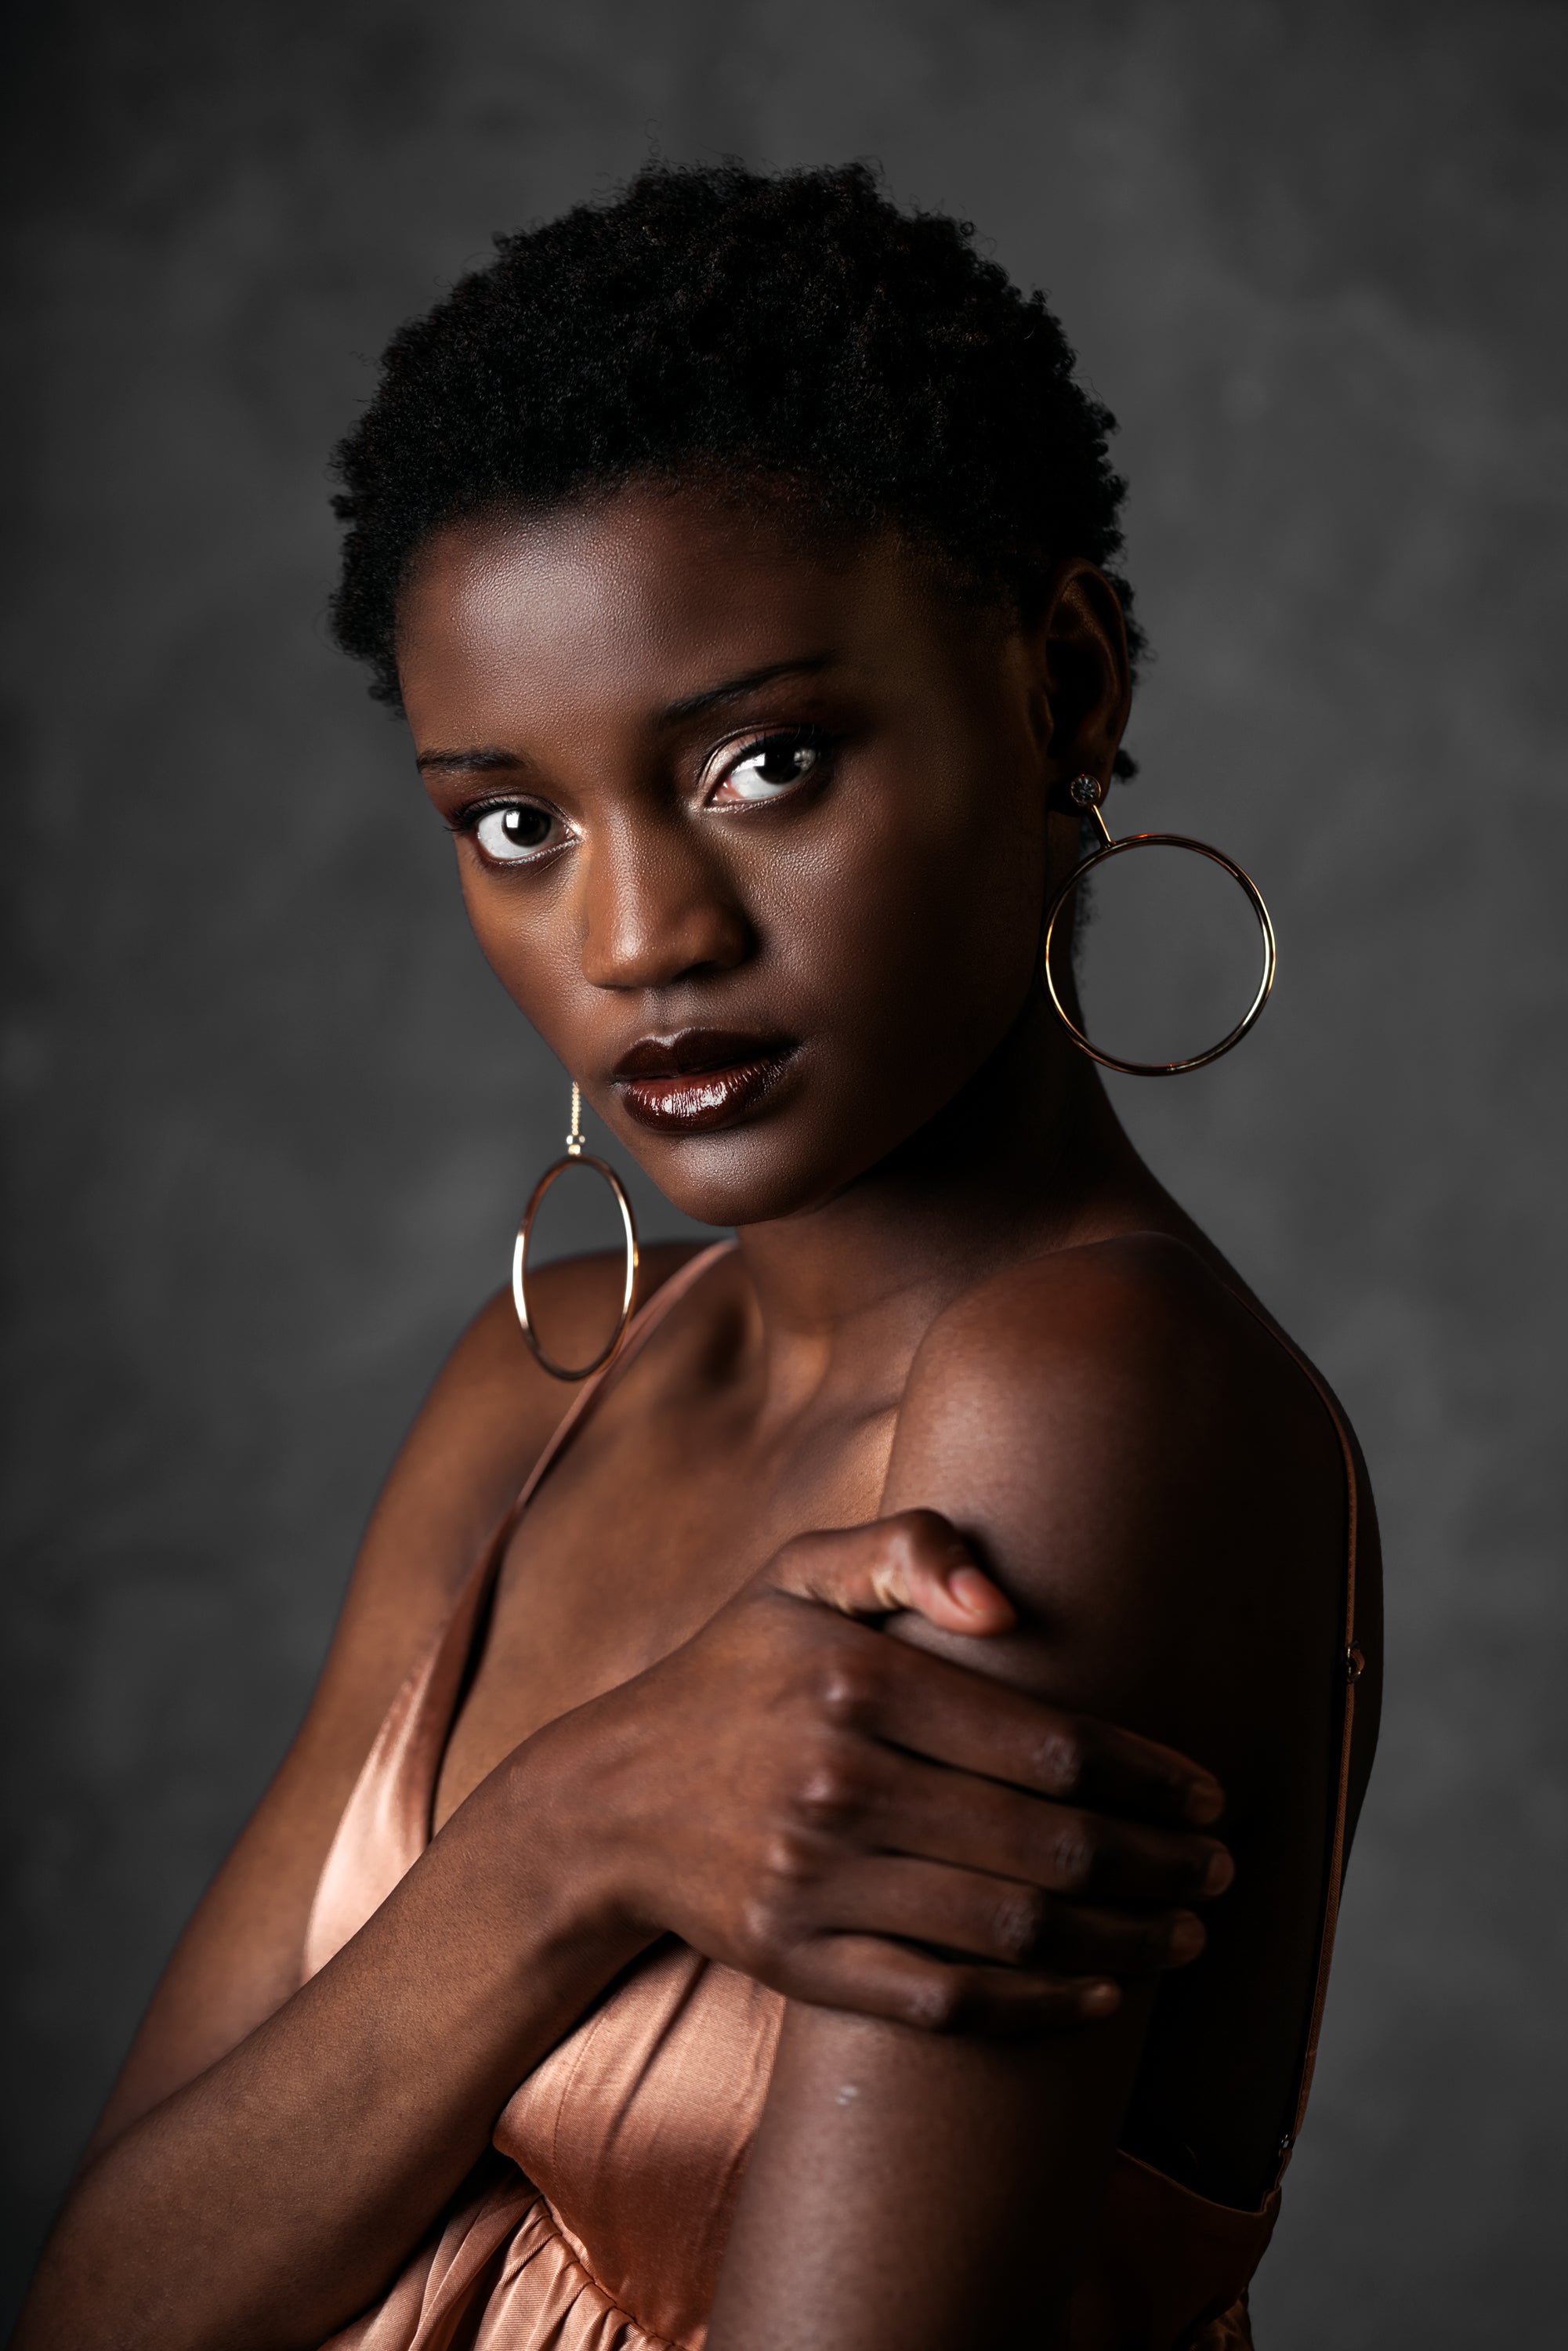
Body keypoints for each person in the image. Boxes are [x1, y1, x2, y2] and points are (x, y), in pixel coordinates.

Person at [16, 161, 1380, 2351]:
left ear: (1062, 683)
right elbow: (102, 2309)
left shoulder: (1082, 1394)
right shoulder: (545, 1378)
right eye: (517, 824)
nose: (639, 938)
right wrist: (563, 1843)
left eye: (766, 762)